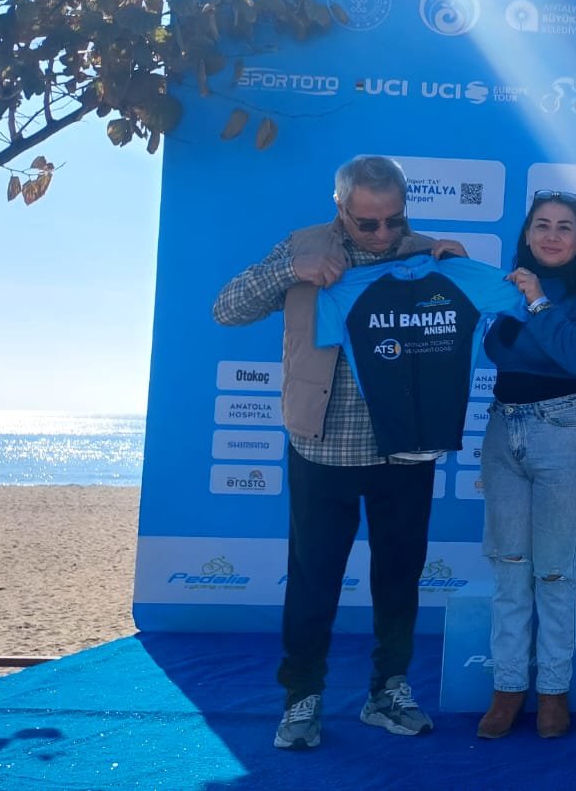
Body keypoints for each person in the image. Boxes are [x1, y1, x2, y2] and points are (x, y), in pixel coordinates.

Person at [212, 154, 466, 751]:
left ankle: (389, 690)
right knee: (312, 581)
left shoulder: (429, 256)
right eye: (367, 222)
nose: (382, 234)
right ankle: (301, 697)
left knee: (399, 580)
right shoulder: (302, 248)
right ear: (340, 208)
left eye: (394, 220)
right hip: (322, 448)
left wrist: (461, 275)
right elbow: (226, 309)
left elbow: (485, 324)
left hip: (405, 452)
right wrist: (289, 272)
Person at [474, 191, 576, 741]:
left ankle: (553, 690)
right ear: (527, 235)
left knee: (555, 571)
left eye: (564, 227)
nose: (552, 235)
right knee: (510, 568)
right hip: (503, 430)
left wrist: (537, 304)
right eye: (542, 225)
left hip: (565, 432)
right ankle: (508, 688)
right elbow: (497, 352)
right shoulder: (507, 286)